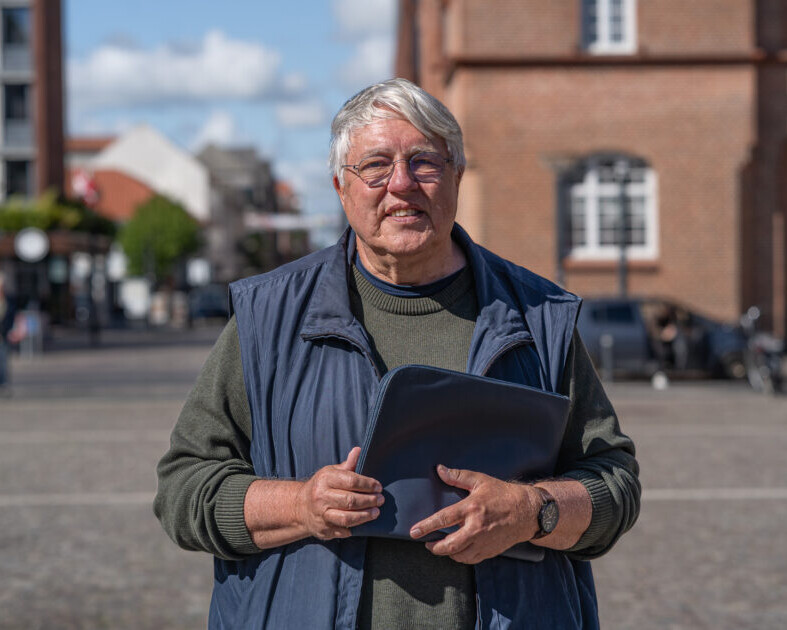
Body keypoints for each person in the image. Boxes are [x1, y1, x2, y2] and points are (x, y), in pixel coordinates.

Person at [154, 78, 640, 630]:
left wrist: (533, 512)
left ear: (457, 177)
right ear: (341, 186)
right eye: (376, 165)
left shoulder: (538, 316)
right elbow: (183, 489)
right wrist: (302, 506)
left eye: (424, 163)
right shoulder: (268, 318)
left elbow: (615, 482)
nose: (402, 184)